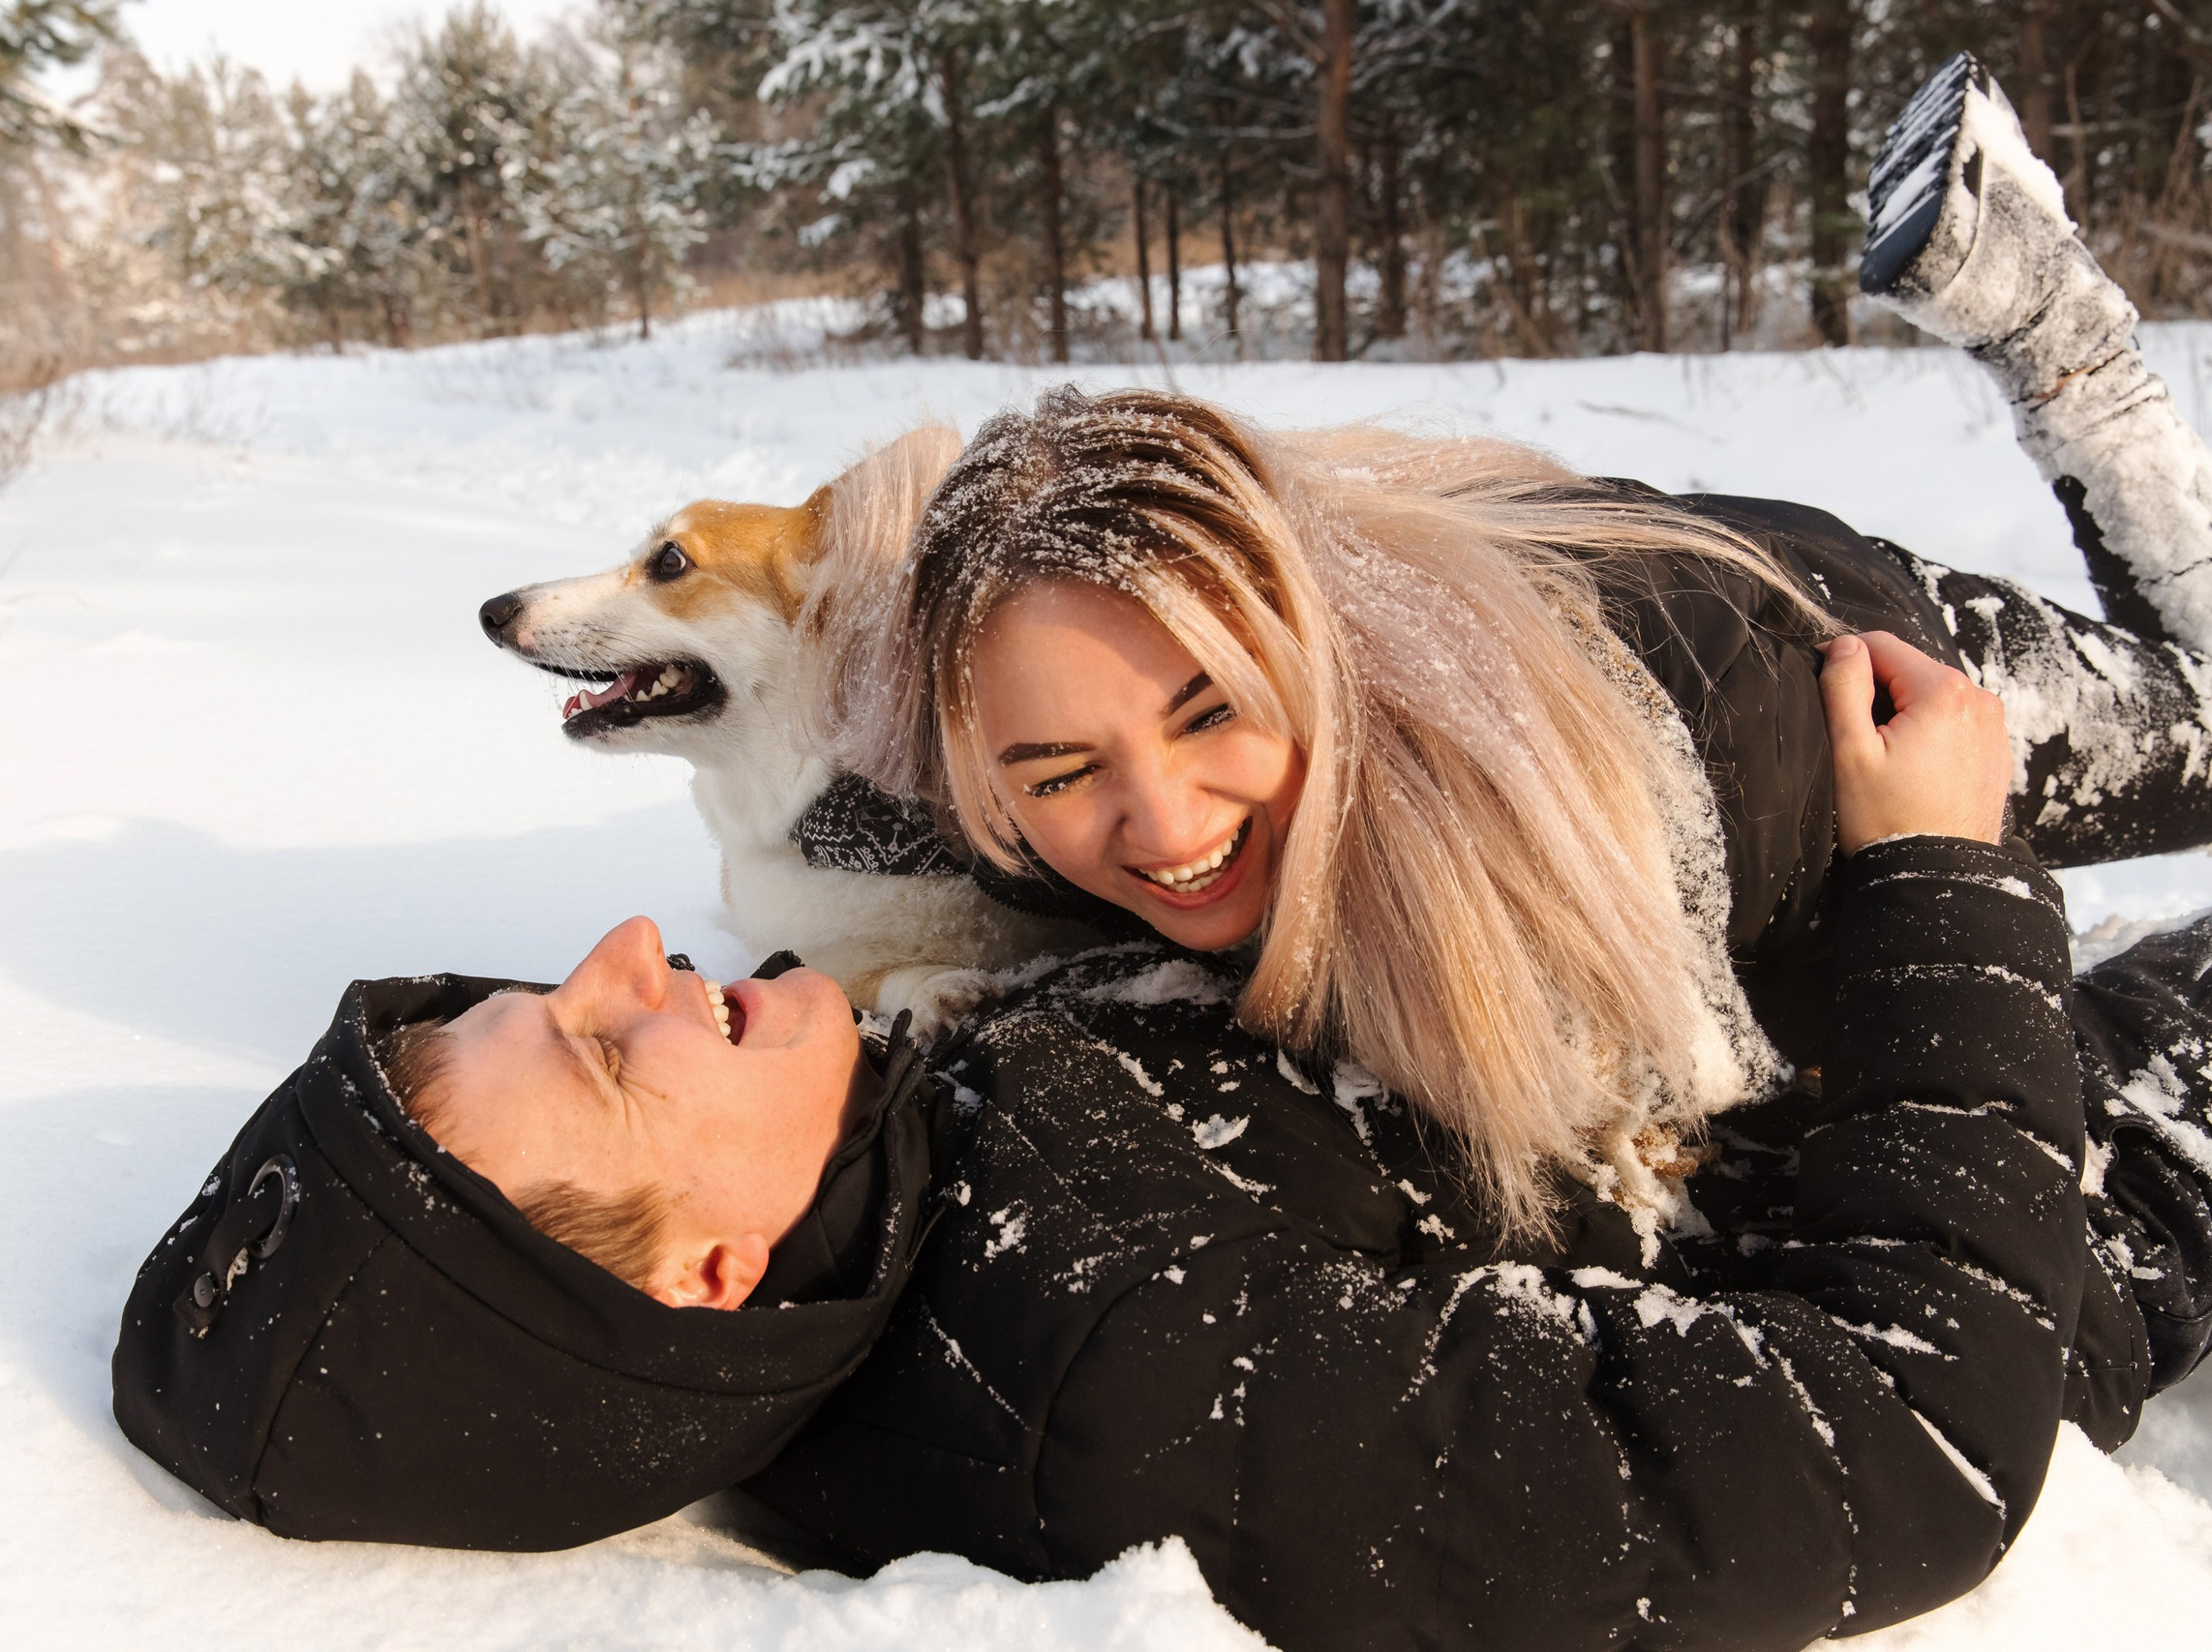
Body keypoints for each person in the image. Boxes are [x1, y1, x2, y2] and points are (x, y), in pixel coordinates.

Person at [116, 627, 2126, 1652]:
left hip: (1737, 1041)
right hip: (2019, 1183)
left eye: (545, 985)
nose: (633, 948)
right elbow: (1905, 1439)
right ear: (698, 1280)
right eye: (610, 1050)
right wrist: (1935, 885)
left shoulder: (858, 1179)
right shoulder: (1136, 1398)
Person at [808, 56, 2212, 1435]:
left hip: (1833, 668)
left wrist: (1935, 865)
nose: (1165, 826)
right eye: (1059, 773)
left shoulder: (1690, 786)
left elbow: (1792, 1170)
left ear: (1310, 650)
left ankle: (2061, 340)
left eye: (1212, 711)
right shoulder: (981, 784)